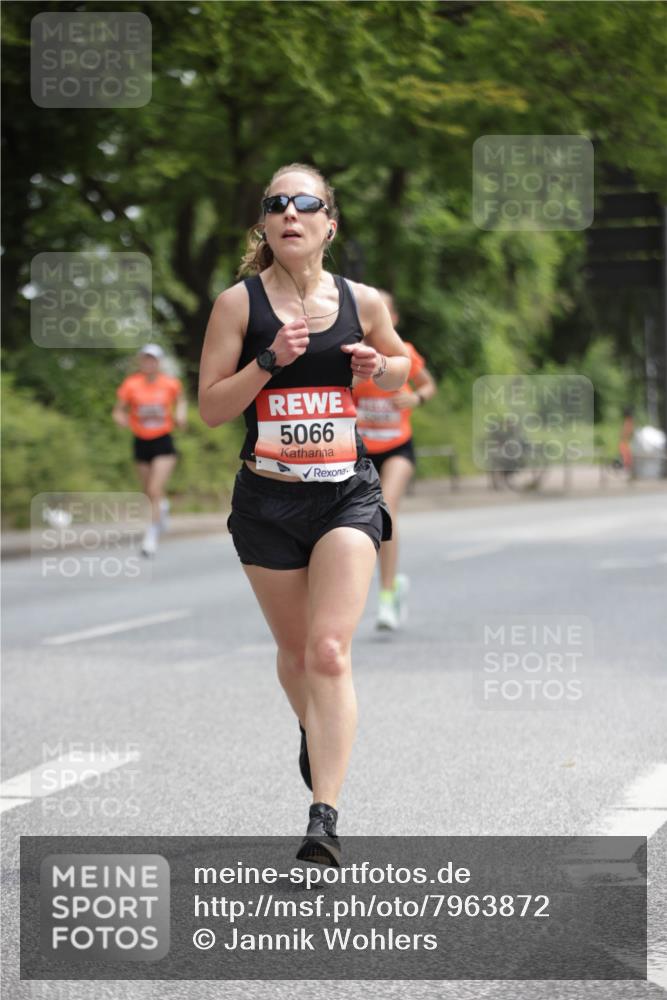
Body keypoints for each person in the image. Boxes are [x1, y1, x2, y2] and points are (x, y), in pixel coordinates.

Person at [198, 163, 410, 866]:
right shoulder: (238, 306)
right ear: (263, 224)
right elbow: (211, 409)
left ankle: (324, 816)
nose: (290, 213)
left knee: (327, 651)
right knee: (295, 658)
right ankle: (314, 728)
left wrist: (373, 369)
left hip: (345, 492)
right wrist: (268, 360)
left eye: (305, 203)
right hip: (266, 498)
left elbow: (401, 366)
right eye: (275, 204)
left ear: (329, 223)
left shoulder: (362, 300)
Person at [352, 290, 436, 630]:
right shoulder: (354, 354)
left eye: (384, 311)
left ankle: (386, 596)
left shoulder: (405, 354)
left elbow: (429, 386)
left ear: (393, 319)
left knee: (385, 508)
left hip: (398, 445)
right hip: (360, 448)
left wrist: (416, 397)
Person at [113, 344, 187, 556]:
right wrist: (120, 419)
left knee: (154, 489)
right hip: (141, 441)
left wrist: (181, 415)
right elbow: (118, 410)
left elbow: (180, 401)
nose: (149, 363)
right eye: (145, 359)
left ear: (159, 362)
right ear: (140, 362)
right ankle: (161, 508)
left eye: (152, 359)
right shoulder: (131, 385)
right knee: (148, 492)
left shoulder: (170, 384)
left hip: (163, 441)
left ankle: (150, 537)